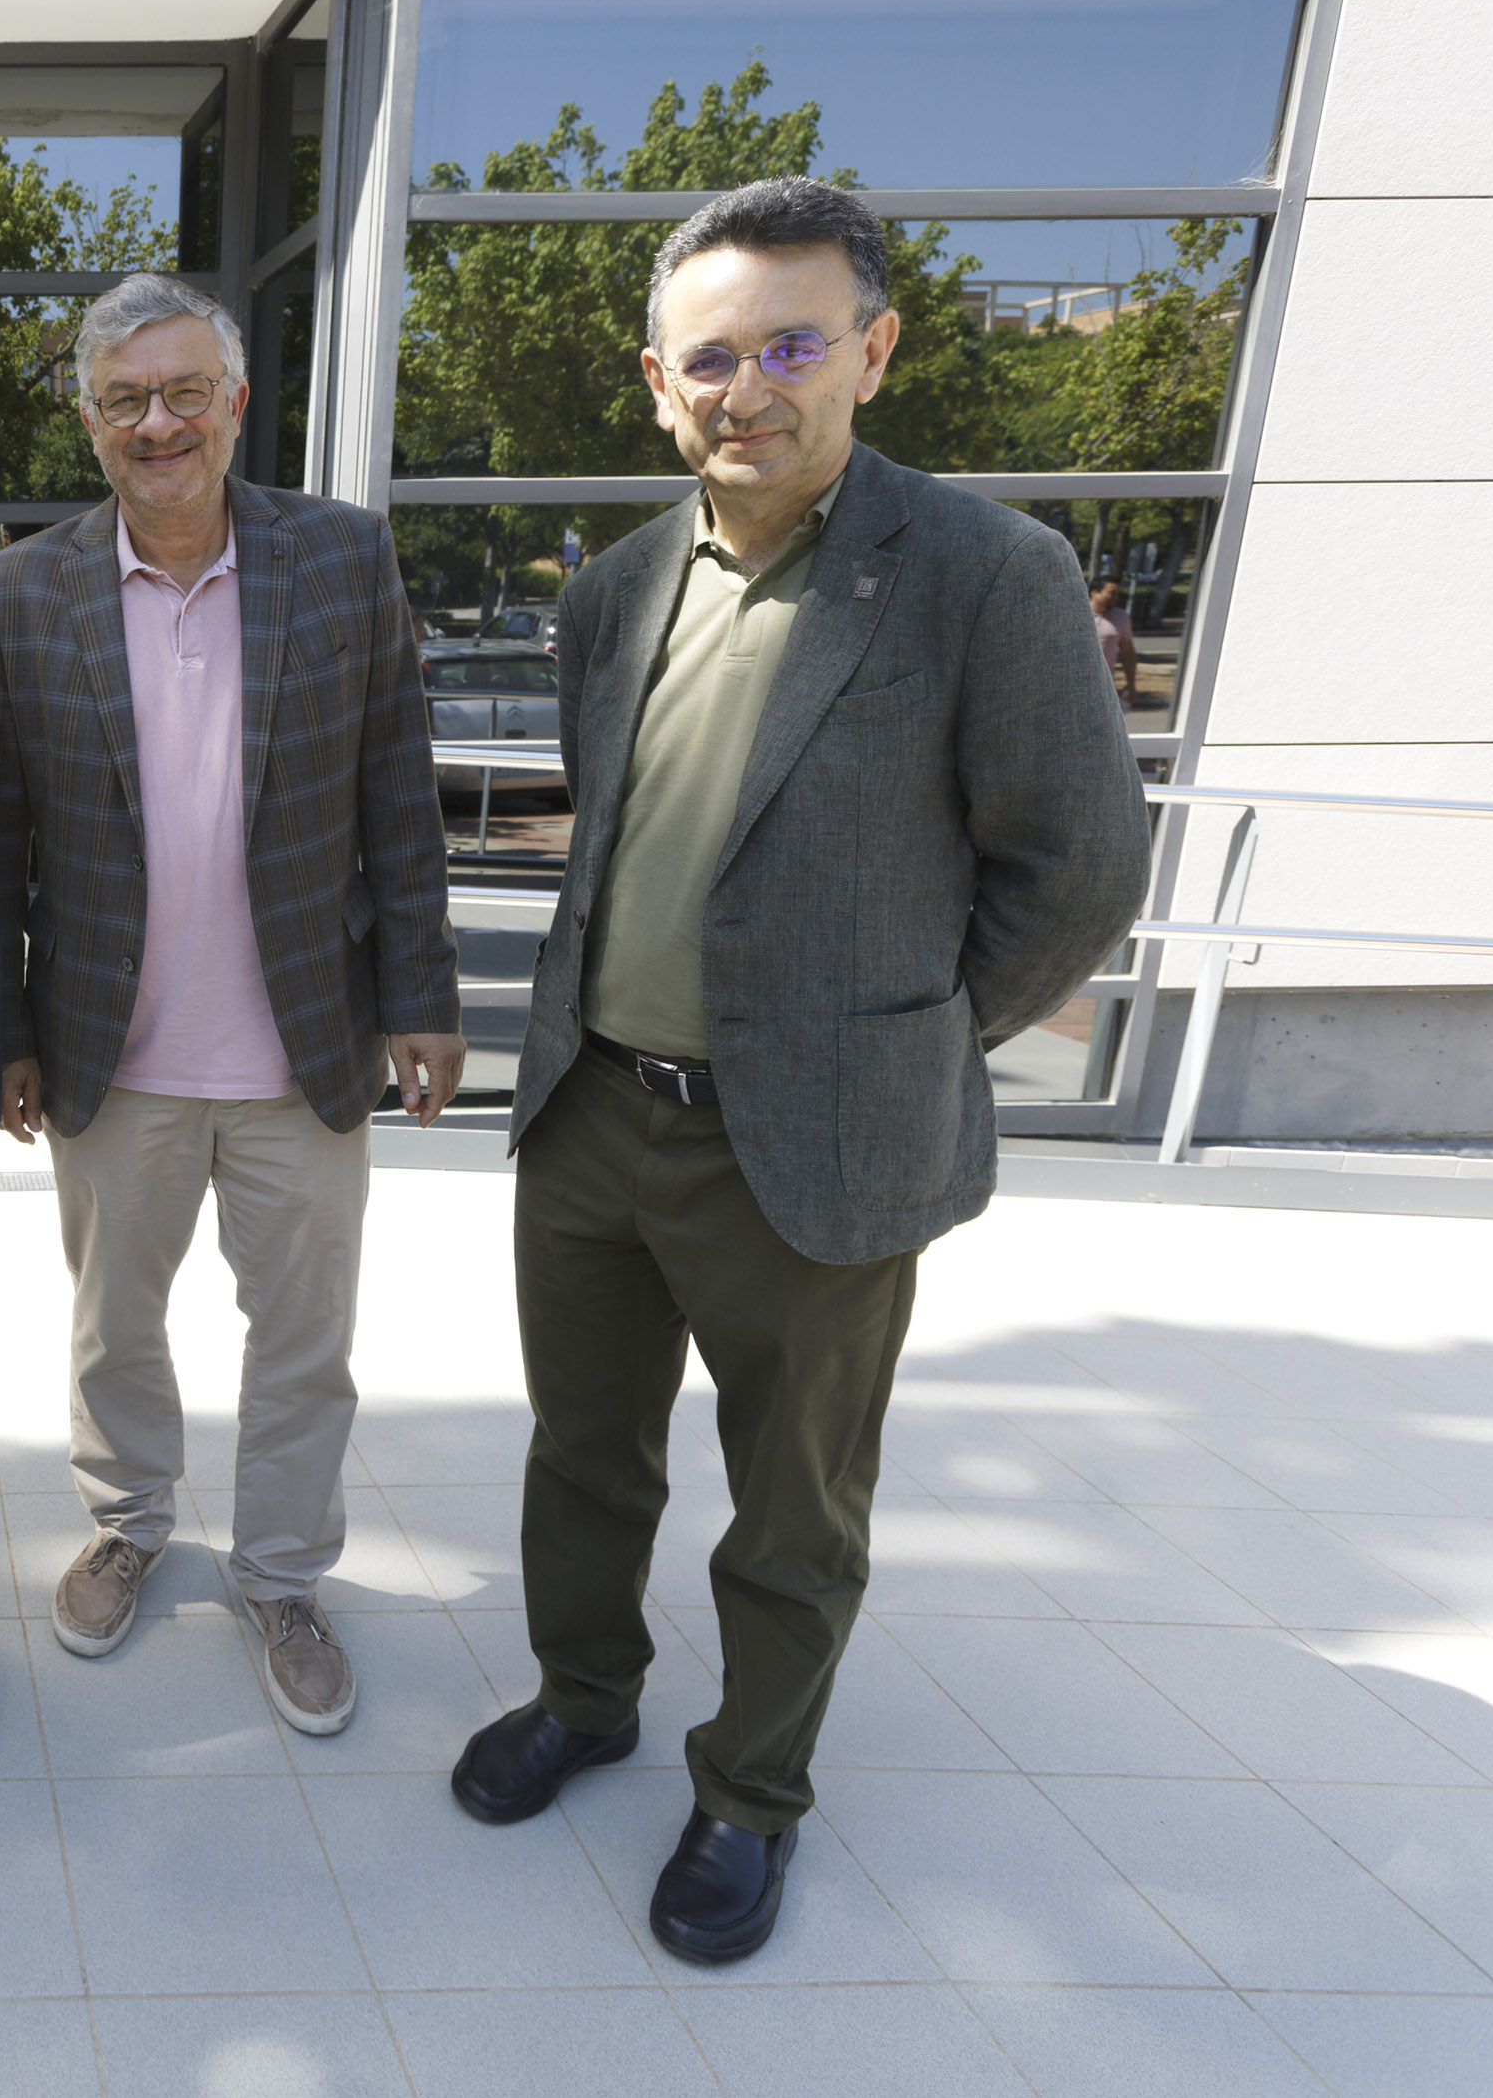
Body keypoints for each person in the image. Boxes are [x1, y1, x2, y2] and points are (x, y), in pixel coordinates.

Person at [453, 179, 1149, 1963]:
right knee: (581, 1455)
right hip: (591, 1109)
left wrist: (892, 1042)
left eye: (787, 342)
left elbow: (1071, 869)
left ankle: (749, 1792)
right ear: (655, 382)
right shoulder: (613, 587)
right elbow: (608, 833)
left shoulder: (981, 574)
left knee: (793, 1502)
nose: (744, 385)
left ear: (871, 348)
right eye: (708, 355)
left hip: (814, 1148)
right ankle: (585, 1695)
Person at [0, 274, 464, 1739]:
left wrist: (423, 992)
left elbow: (395, 787)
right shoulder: (18, 591)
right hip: (104, 1048)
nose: (157, 421)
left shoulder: (340, 558)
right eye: (124, 397)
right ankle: (127, 1519)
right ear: (88, 418)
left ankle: (283, 1574)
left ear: (236, 400)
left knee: (300, 1337)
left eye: (185, 390)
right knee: (112, 1323)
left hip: (299, 1042)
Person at [1090, 578, 1139, 708]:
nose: (1115, 597)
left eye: (1118, 594)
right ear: (1094, 592)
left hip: (1104, 687)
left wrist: (1131, 683)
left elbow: (1127, 652)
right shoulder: (1075, 614)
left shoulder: (1121, 616)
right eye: (1111, 593)